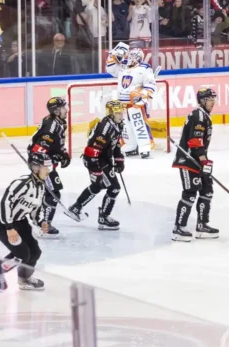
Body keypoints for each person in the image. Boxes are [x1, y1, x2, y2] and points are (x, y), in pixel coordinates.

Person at [0, 151, 51, 292]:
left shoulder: (40, 186)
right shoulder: (21, 184)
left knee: (35, 252)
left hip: (21, 222)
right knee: (22, 254)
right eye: (45, 167)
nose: (48, 170)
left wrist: (40, 222)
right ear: (35, 168)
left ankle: (24, 278)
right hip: (2, 222)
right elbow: (4, 203)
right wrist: (9, 227)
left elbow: (35, 209)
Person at [68, 99, 125, 231]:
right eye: (118, 113)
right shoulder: (105, 127)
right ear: (110, 113)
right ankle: (103, 217)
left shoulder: (118, 125)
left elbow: (116, 144)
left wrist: (119, 160)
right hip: (95, 160)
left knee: (98, 186)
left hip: (102, 160)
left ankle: (76, 207)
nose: (121, 115)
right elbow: (92, 149)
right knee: (114, 188)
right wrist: (95, 169)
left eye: (122, 112)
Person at [172, 87, 219, 242]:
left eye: (213, 99)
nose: (213, 102)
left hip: (197, 160)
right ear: (202, 101)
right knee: (190, 193)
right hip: (188, 161)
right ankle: (178, 229)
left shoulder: (204, 115)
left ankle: (202, 225)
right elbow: (195, 142)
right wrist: (204, 161)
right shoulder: (198, 115)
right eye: (210, 99)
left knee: (207, 190)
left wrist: (204, 161)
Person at [27, 97, 71, 238]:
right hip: (41, 164)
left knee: (48, 193)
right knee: (53, 193)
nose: (66, 110)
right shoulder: (52, 126)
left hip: (45, 163)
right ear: (56, 111)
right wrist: (44, 165)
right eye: (63, 108)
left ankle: (42, 222)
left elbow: (55, 145)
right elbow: (39, 150)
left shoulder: (58, 122)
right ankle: (45, 225)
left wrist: (62, 154)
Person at [104, 45, 157, 158]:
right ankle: (131, 145)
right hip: (122, 103)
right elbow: (110, 68)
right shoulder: (122, 66)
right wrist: (113, 54)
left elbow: (150, 84)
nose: (131, 58)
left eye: (134, 56)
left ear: (139, 58)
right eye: (130, 55)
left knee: (139, 125)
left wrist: (143, 94)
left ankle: (145, 147)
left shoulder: (145, 68)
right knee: (126, 126)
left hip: (136, 103)